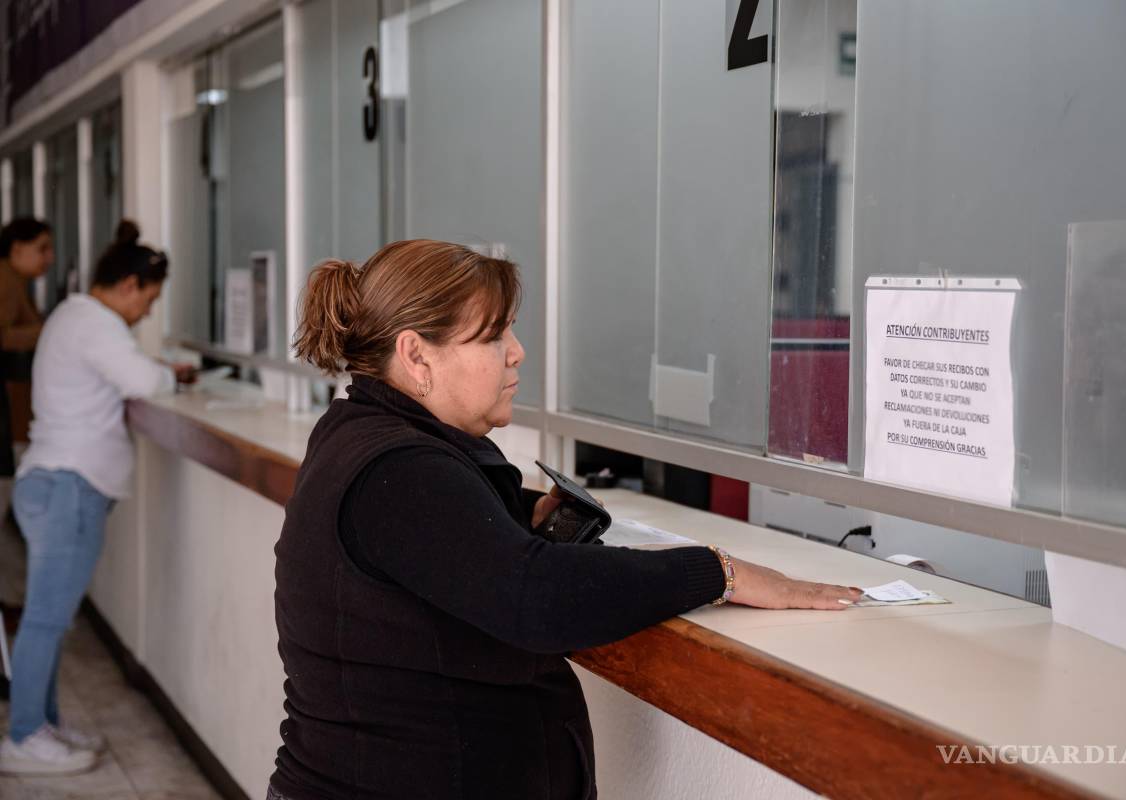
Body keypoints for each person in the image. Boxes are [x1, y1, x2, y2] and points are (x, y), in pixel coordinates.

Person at [269, 239, 862, 800]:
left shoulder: (365, 436)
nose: (517, 351)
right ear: (416, 354)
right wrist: (717, 573)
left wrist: (520, 513)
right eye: (494, 335)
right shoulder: (397, 469)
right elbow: (536, 600)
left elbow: (432, 546)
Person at [0, 221, 194, 776]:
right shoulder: (96, 323)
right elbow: (141, 381)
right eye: (149, 300)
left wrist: (156, 369)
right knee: (45, 619)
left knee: (52, 618)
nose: (146, 314)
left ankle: (42, 724)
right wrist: (168, 374)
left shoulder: (74, 314)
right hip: (67, 486)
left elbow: (132, 372)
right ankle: (23, 736)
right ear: (129, 285)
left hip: (58, 482)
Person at [0, 217, 54, 501]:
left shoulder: (15, 280)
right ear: (17, 248)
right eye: (42, 249)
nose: (50, 258)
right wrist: (49, 330)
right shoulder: (5, 279)